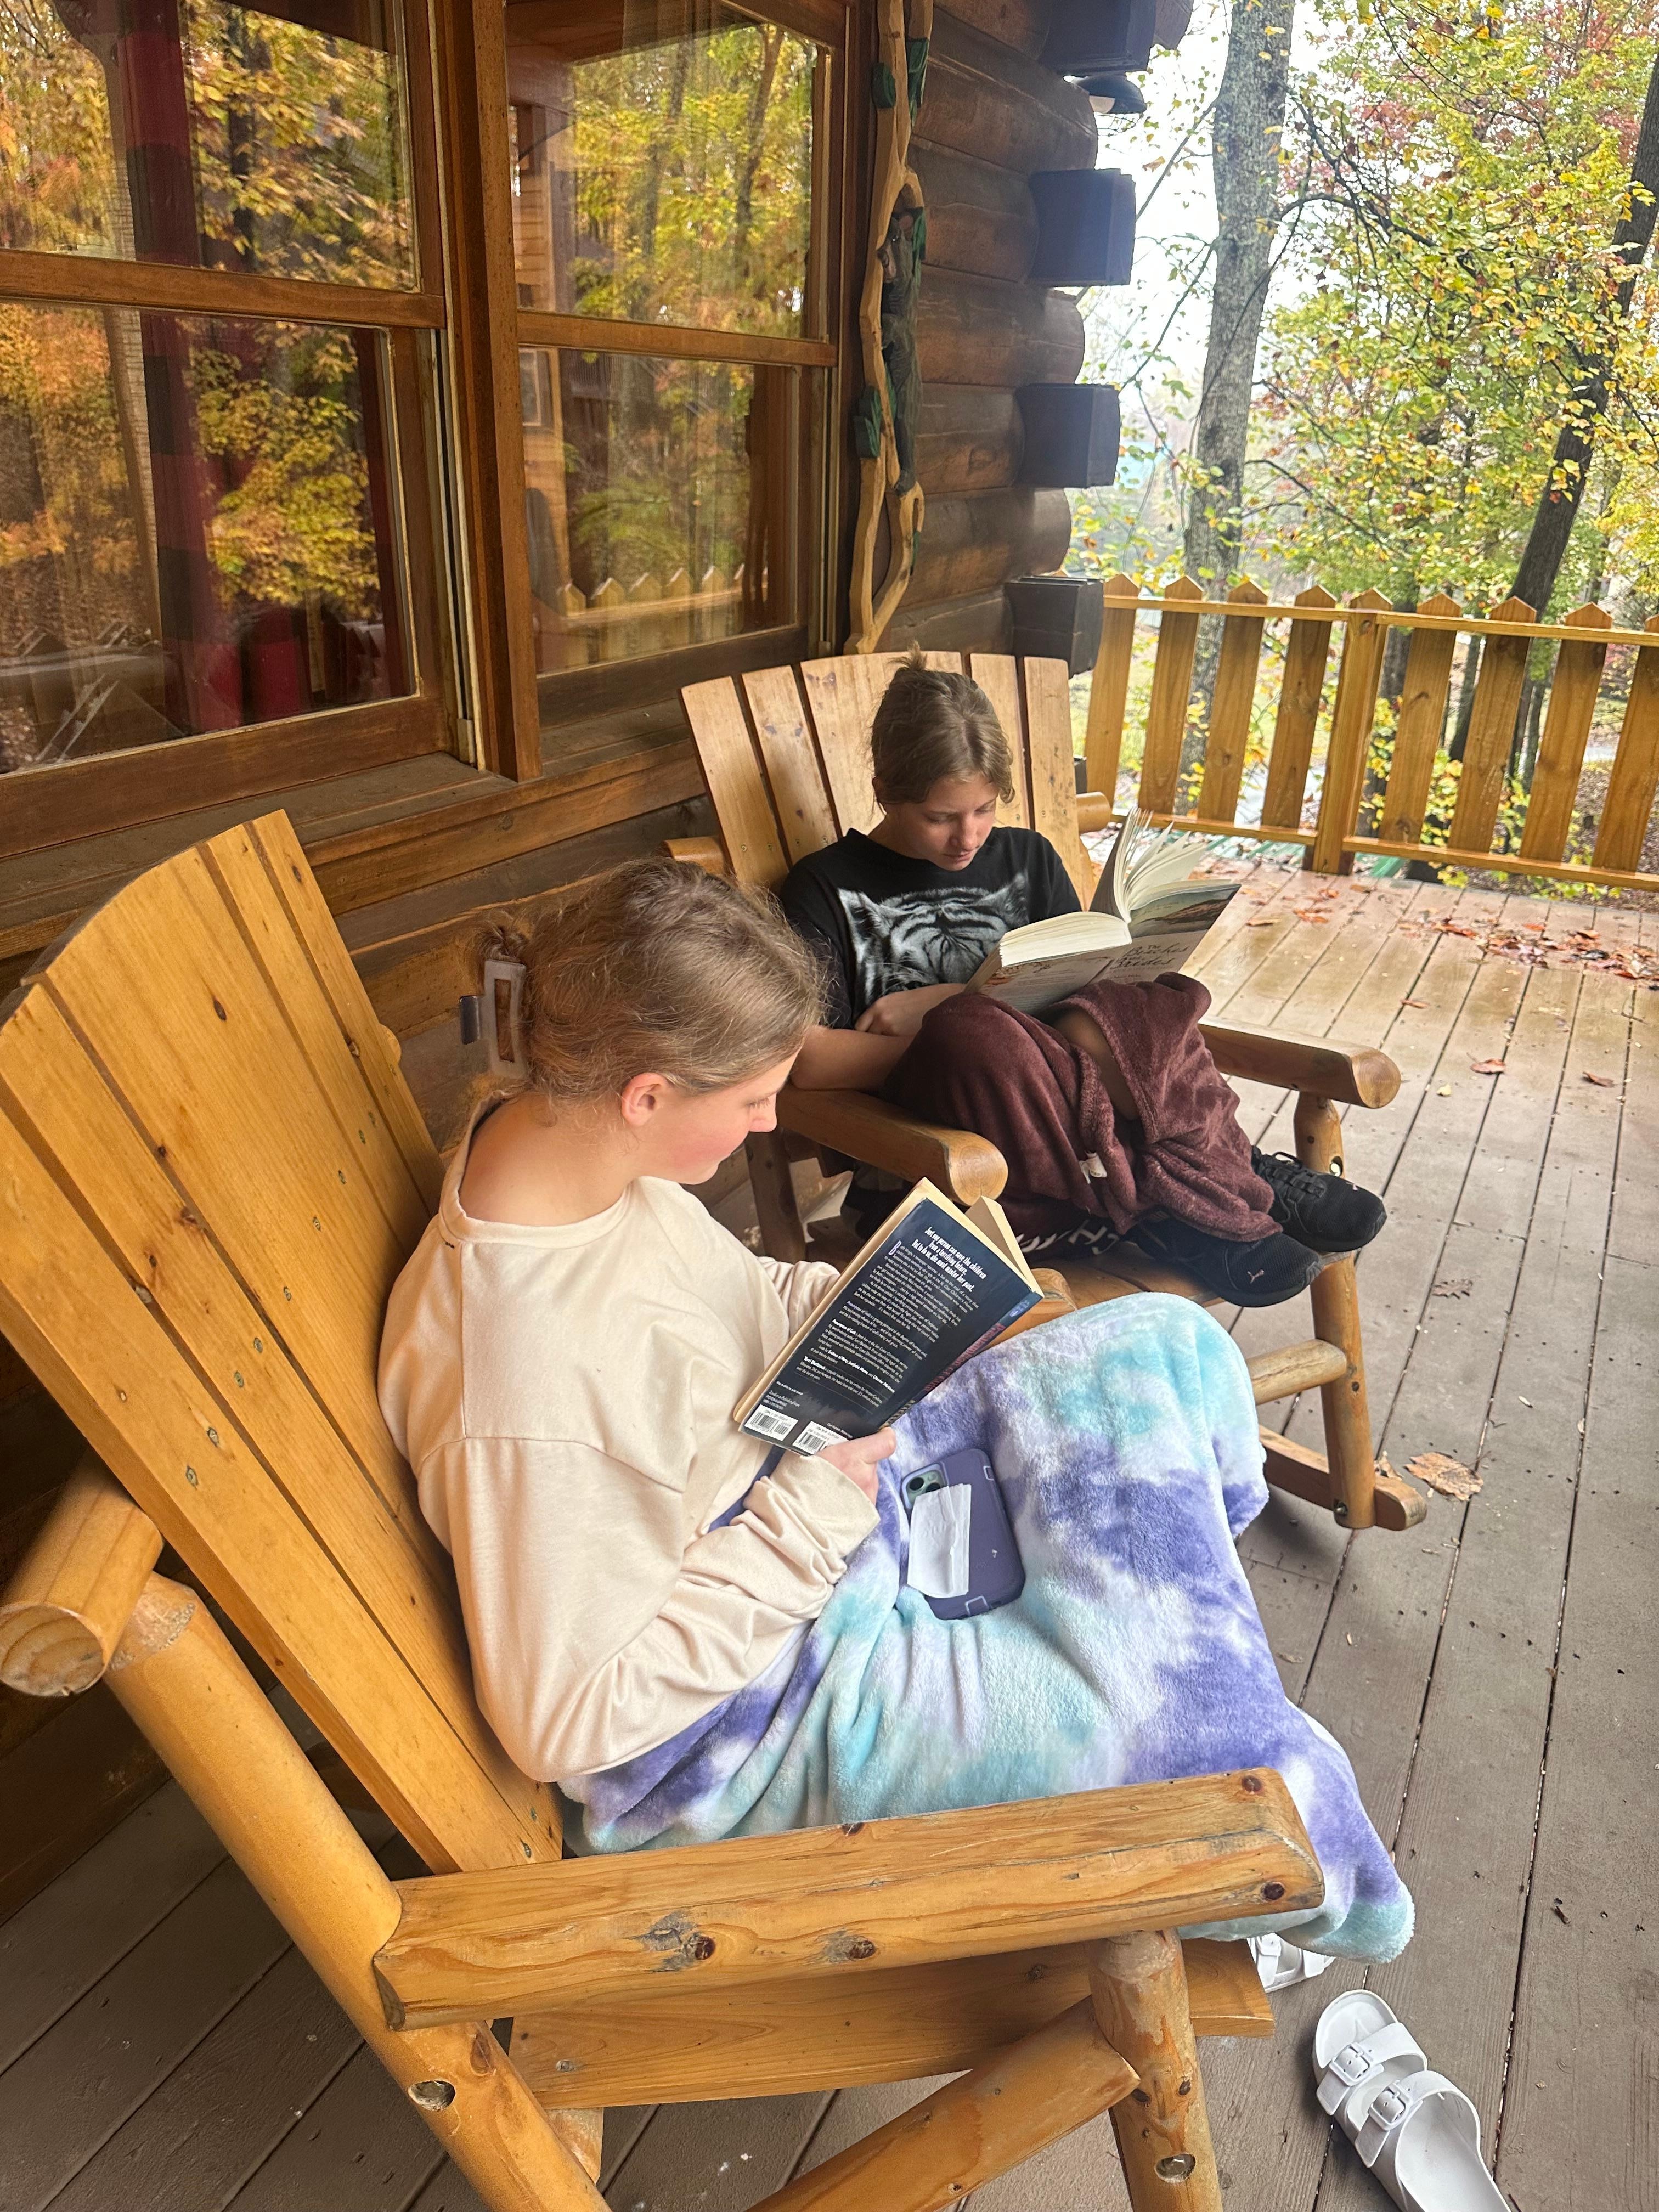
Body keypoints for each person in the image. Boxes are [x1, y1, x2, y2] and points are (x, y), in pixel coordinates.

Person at [377, 857, 1412, 1965]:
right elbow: (567, 1720)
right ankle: (1288, 1854)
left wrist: (862, 1298)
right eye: (753, 1101)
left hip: (798, 1480)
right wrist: (816, 1522)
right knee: (1235, 1758)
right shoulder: (524, 1386)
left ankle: (1173, 1653)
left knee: (1163, 1342)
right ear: (648, 1093)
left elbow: (723, 1303)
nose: (775, 1118)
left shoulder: (576, 1162)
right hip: (756, 1704)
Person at [777, 653, 1385, 1306]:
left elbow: (1089, 990)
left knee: (1143, 1002)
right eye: (940, 817)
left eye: (984, 809)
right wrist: (946, 1024)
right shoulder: (824, 886)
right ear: (885, 789)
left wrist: (945, 996)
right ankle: (1198, 1191)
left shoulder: (1027, 857)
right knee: (971, 1033)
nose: (968, 837)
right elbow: (809, 1061)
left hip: (1080, 1127)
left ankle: (1207, 1179)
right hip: (960, 1154)